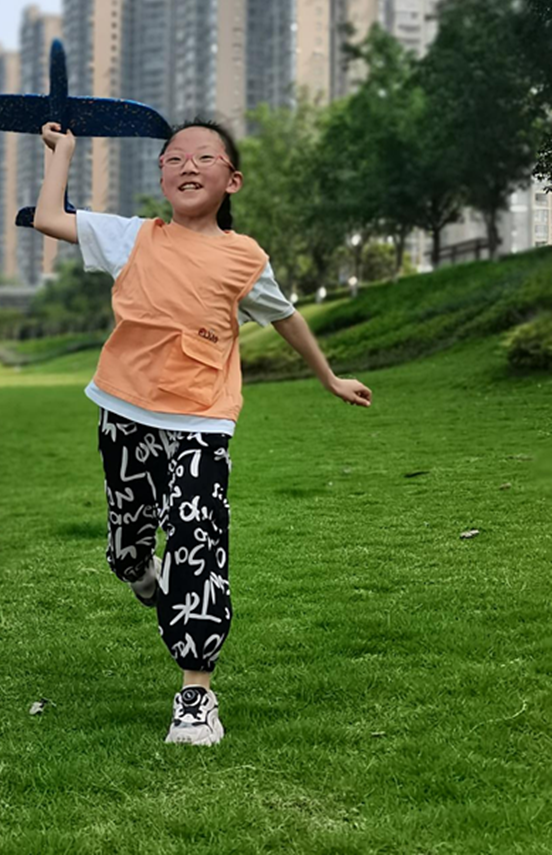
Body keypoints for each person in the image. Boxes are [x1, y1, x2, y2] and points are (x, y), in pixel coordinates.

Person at [33, 117, 373, 746]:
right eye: (174, 158)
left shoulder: (244, 258)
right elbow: (50, 218)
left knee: (198, 538)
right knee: (129, 544)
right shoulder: (132, 237)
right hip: (124, 411)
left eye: (204, 157)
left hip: (202, 419)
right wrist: (63, 152)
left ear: (231, 180)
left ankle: (196, 695)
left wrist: (328, 377)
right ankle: (138, 568)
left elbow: (286, 317)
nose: (188, 165)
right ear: (161, 176)